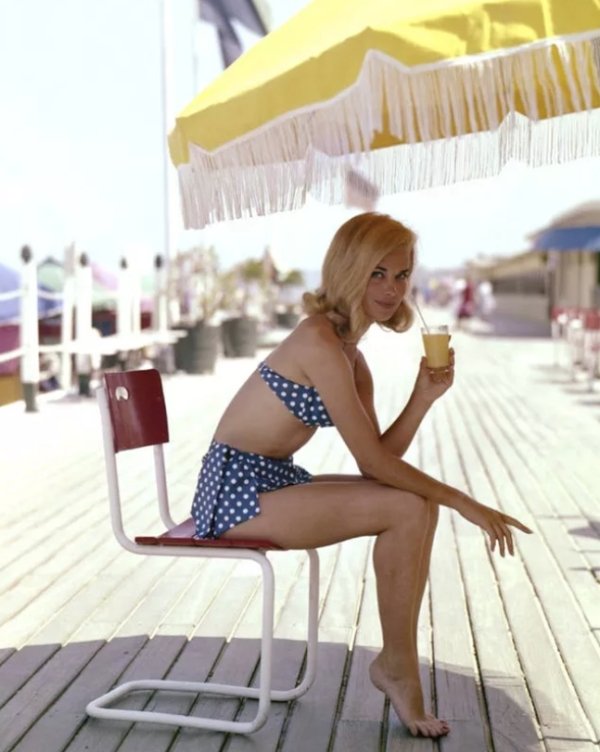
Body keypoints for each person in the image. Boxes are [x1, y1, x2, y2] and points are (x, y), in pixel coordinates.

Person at [190, 212, 532, 739]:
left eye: (401, 275)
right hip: (235, 494)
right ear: (349, 270)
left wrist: (422, 398)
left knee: (414, 503)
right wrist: (466, 501)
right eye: (378, 273)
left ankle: (395, 664)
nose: (393, 289)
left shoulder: (352, 357)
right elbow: (376, 467)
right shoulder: (318, 343)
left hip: (273, 482)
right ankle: (398, 667)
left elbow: (375, 458)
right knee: (409, 504)